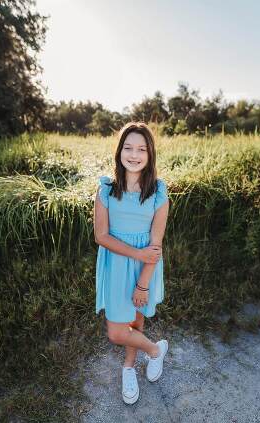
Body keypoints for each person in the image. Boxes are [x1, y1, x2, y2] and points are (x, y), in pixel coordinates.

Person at [93, 122, 170, 405]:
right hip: (116, 265)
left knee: (136, 321)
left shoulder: (159, 193)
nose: (134, 154)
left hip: (144, 270)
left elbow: (155, 246)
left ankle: (128, 368)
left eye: (141, 149)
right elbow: (101, 236)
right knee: (116, 332)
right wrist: (137, 255)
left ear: (150, 155)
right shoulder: (105, 190)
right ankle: (155, 350)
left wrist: (143, 284)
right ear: (119, 151)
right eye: (128, 147)